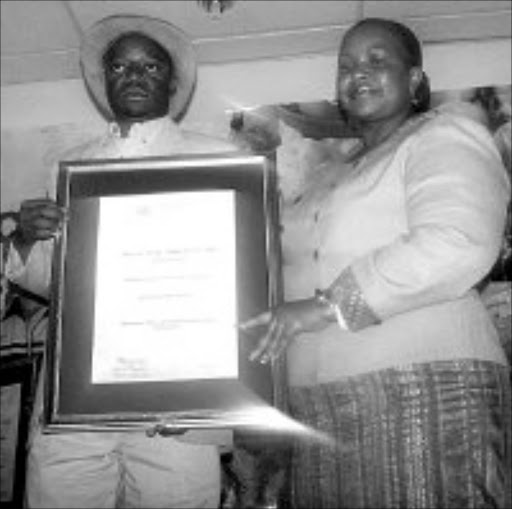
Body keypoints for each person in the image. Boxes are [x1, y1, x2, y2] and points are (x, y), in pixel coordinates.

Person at [241, 17, 512, 508]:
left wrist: (325, 307)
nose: (356, 73)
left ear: (414, 81)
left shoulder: (445, 134)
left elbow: (458, 242)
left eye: (376, 60)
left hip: (426, 388)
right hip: (318, 407)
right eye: (345, 66)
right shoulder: (330, 176)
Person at [3, 14, 240, 508]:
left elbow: (235, 281)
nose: (133, 75)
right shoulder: (70, 166)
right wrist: (26, 241)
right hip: (76, 399)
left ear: (172, 83)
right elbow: (61, 284)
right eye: (120, 67)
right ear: (103, 81)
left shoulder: (218, 158)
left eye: (149, 66)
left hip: (177, 401)